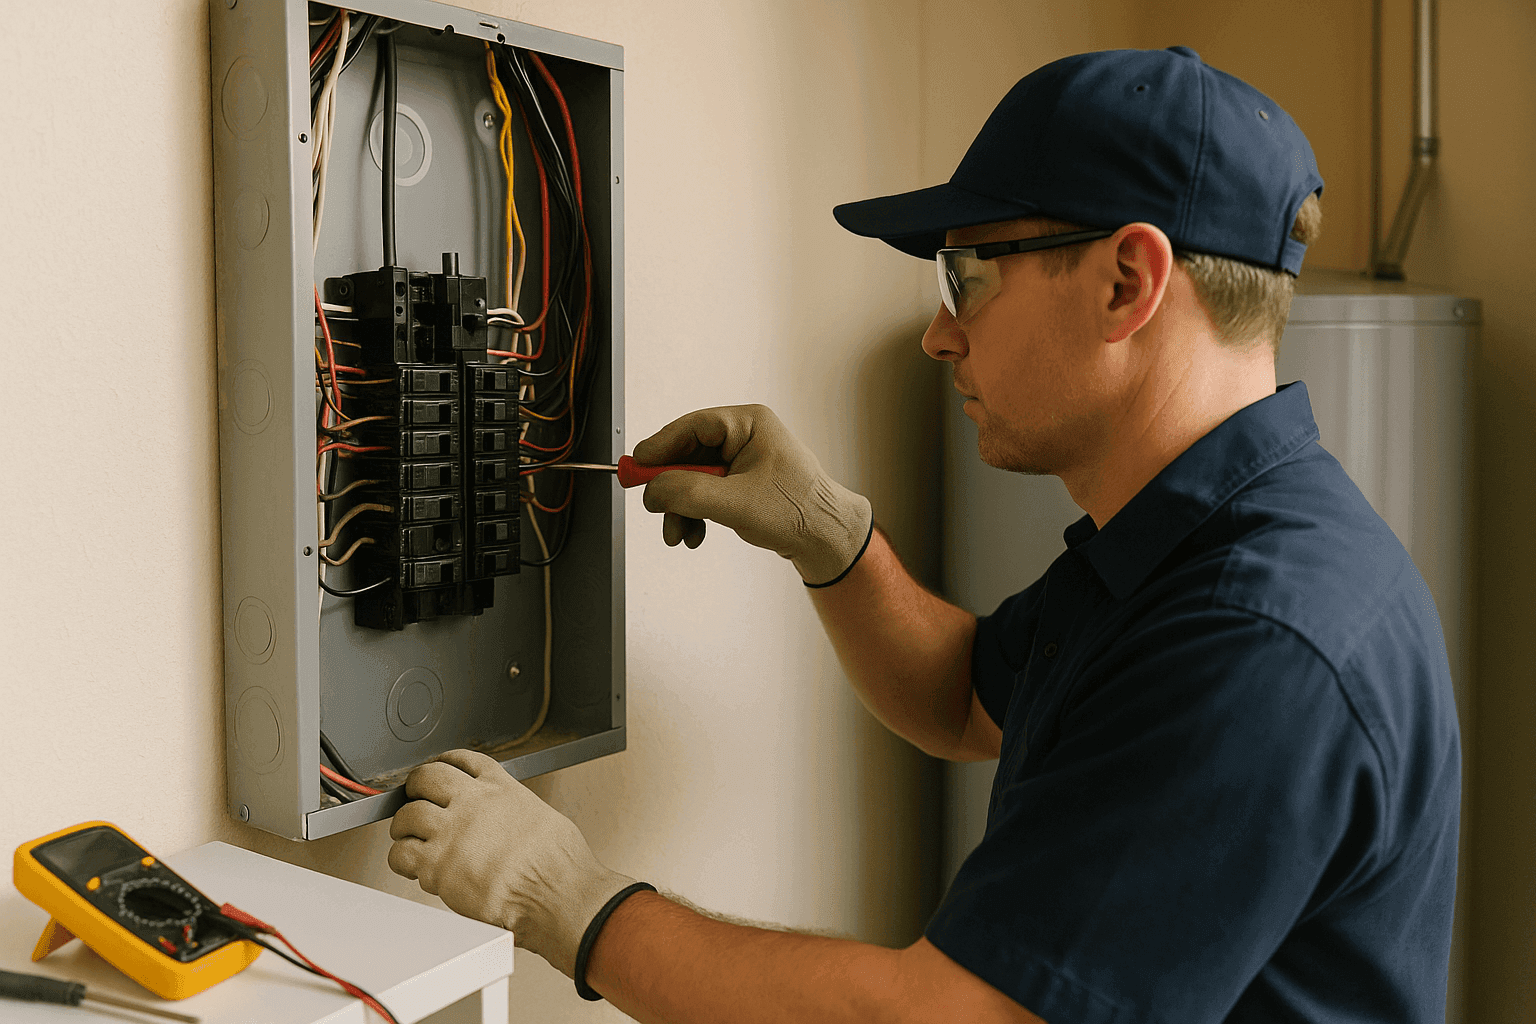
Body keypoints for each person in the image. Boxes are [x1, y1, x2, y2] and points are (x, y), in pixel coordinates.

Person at [385, 47, 1461, 1023]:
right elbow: (962, 699)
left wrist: (567, 900)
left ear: (1127, 281)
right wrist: (832, 540)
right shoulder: (1185, 540)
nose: (940, 335)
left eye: (969, 277)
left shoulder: (1258, 637)